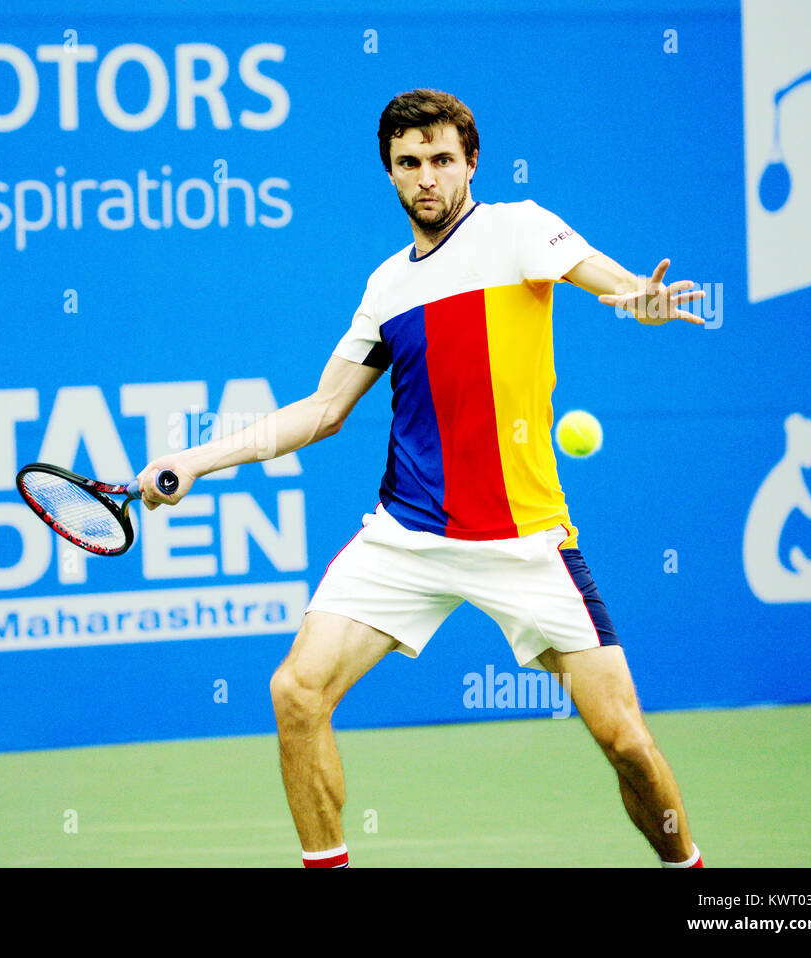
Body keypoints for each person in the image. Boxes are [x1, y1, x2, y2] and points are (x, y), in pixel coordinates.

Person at [136, 89, 705, 869]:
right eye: (410, 164)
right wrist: (193, 460)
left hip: (526, 539)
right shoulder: (386, 288)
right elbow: (323, 409)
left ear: (471, 162)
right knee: (296, 693)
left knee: (629, 744)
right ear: (392, 175)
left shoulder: (519, 229)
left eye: (442, 159)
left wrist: (637, 296)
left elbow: (607, 278)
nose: (427, 177)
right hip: (410, 535)